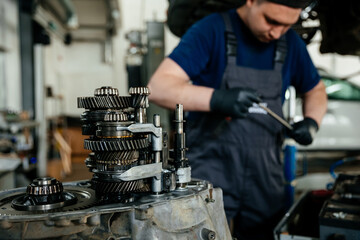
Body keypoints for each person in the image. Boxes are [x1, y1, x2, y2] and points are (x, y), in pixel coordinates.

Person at [148, 0, 327, 239]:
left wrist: (312, 121)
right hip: (212, 166)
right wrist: (216, 98)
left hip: (265, 173)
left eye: (287, 25)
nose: (277, 32)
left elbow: (315, 90)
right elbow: (159, 87)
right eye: (271, 21)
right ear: (251, 1)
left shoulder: (290, 42)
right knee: (200, 230)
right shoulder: (211, 30)